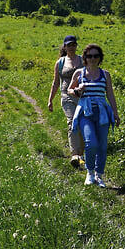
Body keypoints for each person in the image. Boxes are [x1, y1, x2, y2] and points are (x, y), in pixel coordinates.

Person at [68, 43, 120, 187]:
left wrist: (115, 113)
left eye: (96, 56)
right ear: (85, 57)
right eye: (89, 56)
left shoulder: (105, 74)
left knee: (102, 146)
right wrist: (77, 90)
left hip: (102, 112)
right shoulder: (79, 73)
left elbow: (110, 94)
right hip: (85, 112)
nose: (92, 58)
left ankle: (99, 175)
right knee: (91, 143)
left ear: (100, 58)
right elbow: (69, 90)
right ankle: (90, 172)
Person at [47, 35, 85, 167]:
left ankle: (81, 154)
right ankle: (74, 154)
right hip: (66, 97)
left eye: (73, 44)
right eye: (69, 45)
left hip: (82, 97)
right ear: (65, 47)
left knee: (82, 123)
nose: (71, 47)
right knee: (72, 121)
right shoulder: (60, 62)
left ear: (76, 45)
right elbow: (56, 82)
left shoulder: (82, 60)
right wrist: (50, 100)